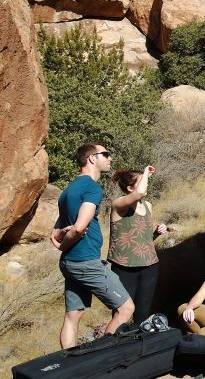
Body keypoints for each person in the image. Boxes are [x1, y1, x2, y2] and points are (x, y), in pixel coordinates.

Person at [50, 142, 135, 349]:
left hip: (70, 263)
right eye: (105, 154)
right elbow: (79, 228)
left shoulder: (68, 190)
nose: (110, 158)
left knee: (73, 314)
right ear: (91, 158)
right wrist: (62, 246)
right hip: (85, 261)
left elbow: (55, 231)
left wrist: (61, 238)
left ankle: (69, 364)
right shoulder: (91, 187)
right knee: (126, 308)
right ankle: (102, 357)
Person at [107, 166, 167, 325]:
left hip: (149, 266)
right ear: (129, 188)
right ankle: (115, 345)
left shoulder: (148, 205)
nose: (146, 184)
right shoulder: (118, 204)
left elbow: (142, 239)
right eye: (142, 182)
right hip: (124, 267)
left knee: (143, 314)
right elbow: (139, 192)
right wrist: (146, 171)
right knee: (121, 313)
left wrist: (156, 233)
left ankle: (140, 345)